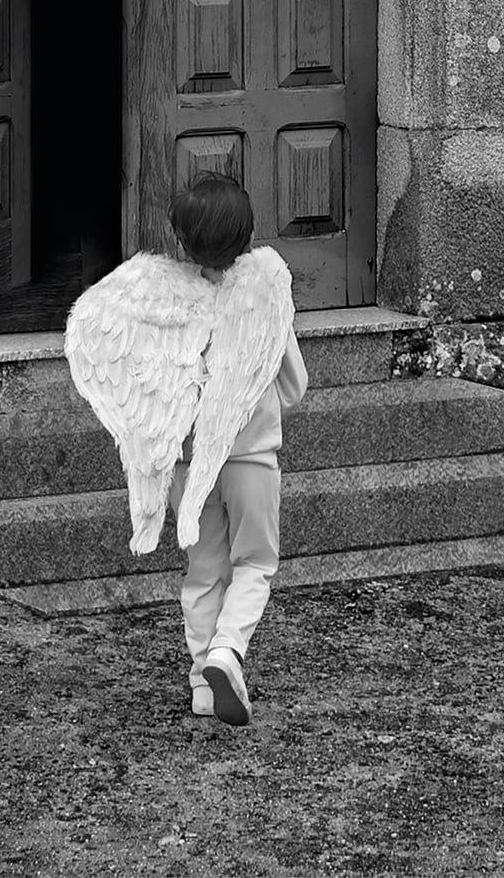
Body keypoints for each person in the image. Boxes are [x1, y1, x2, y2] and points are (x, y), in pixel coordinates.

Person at [63, 175, 309, 729]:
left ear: (181, 241)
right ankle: (228, 650)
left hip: (184, 466)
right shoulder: (262, 298)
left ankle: (203, 683)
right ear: (247, 236)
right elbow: (294, 385)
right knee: (255, 564)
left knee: (203, 572)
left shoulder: (162, 303)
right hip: (250, 463)